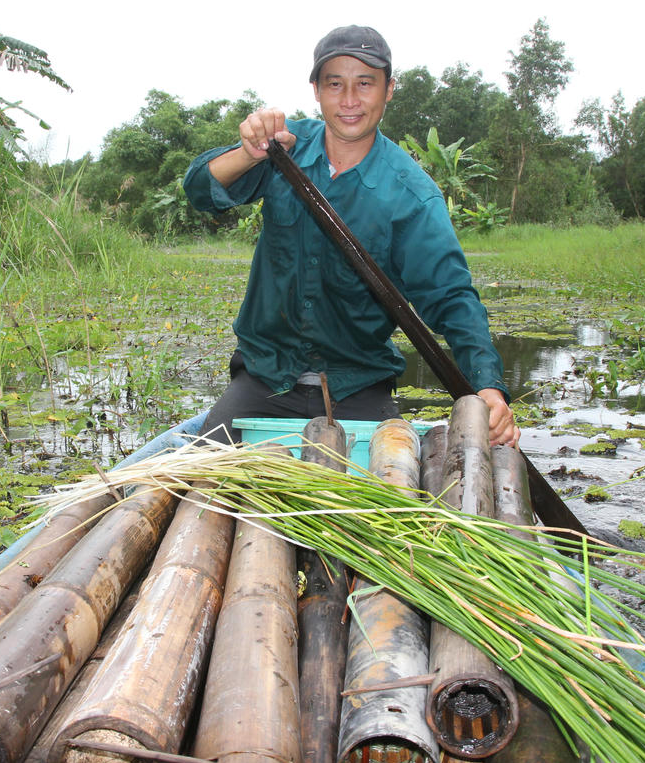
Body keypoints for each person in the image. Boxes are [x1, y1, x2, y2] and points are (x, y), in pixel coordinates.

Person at [182, 25, 520, 448]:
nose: (349, 100)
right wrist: (247, 154)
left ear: (389, 90)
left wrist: (486, 387)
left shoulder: (411, 195)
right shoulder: (280, 149)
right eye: (335, 84)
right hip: (266, 377)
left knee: (394, 483)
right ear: (316, 91)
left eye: (365, 84)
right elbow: (199, 190)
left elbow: (452, 300)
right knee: (200, 482)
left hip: (358, 385)